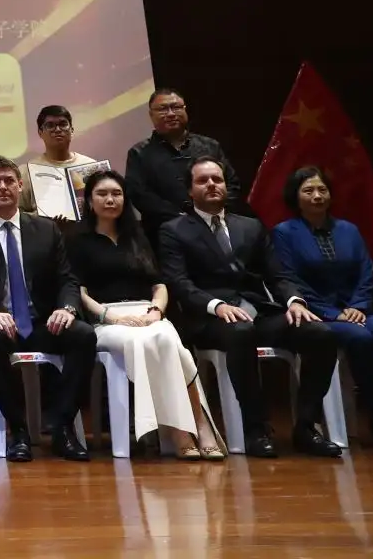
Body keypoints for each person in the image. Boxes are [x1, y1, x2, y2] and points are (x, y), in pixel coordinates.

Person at [158, 156, 341, 458]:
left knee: (320, 333)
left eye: (217, 179)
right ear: (190, 190)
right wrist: (216, 305)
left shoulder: (250, 226)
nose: (212, 185)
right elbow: (179, 283)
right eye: (203, 181)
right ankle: (256, 429)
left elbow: (278, 275)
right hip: (210, 320)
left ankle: (307, 427)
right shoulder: (174, 230)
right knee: (241, 332)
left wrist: (294, 300)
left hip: (258, 312)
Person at [271, 166, 373, 450]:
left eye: (322, 190)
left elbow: (366, 273)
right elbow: (289, 280)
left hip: (357, 308)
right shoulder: (284, 233)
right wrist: (334, 314)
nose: (317, 196)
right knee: (361, 338)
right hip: (319, 312)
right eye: (308, 191)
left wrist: (358, 305)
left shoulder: (349, 230)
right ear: (295, 197)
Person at [68, 168, 222, 460]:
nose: (110, 199)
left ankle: (197, 425)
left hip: (147, 312)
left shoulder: (137, 236)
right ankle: (184, 430)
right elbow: (79, 291)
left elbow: (159, 284)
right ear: (89, 201)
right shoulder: (77, 240)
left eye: (117, 194)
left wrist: (156, 310)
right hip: (107, 320)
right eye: (102, 194)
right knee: (144, 342)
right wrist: (111, 317)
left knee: (167, 339)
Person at [0, 156, 96, 463]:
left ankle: (62, 427)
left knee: (83, 335)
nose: (2, 187)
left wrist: (67, 308)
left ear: (20, 185)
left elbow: (67, 278)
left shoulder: (45, 229)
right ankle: (18, 430)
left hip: (41, 320)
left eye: (9, 181)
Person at [126, 88, 240, 248]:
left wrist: (210, 214)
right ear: (151, 115)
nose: (171, 113)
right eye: (163, 109)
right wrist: (184, 219)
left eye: (176, 107)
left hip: (216, 229)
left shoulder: (210, 146)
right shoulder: (139, 153)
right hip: (165, 235)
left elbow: (232, 184)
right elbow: (139, 195)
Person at [18, 105, 102, 220]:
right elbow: (17, 214)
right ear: (40, 132)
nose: (57, 129)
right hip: (44, 231)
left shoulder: (91, 166)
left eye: (63, 124)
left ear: (72, 130)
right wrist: (43, 218)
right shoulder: (26, 171)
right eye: (50, 125)